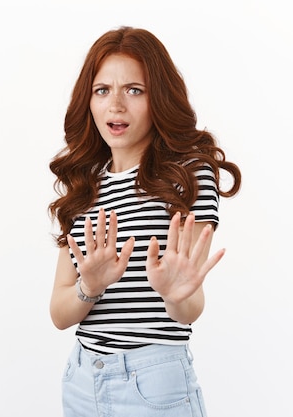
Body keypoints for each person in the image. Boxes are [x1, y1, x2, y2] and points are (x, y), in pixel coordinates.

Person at [48, 26, 241, 417]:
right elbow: (59, 313)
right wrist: (91, 286)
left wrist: (175, 294)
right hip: (82, 380)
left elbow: (190, 307)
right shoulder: (85, 187)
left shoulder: (187, 176)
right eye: (102, 90)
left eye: (134, 90)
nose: (115, 105)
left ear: (159, 99)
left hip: (153, 384)